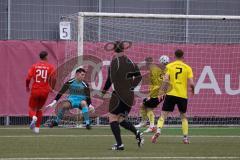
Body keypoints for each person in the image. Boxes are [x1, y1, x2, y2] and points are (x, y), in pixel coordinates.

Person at [102, 41, 144, 150]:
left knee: (112, 118)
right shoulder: (130, 61)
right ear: (124, 49)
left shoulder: (115, 62)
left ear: (114, 50)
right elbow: (139, 77)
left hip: (119, 94)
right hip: (129, 95)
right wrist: (131, 87)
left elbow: (110, 79)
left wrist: (103, 91)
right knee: (120, 119)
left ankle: (120, 144)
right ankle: (137, 132)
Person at [151, 49, 195, 144]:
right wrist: (193, 90)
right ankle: (185, 137)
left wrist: (161, 92)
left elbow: (166, 80)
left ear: (174, 56)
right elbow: (191, 83)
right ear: (183, 57)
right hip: (182, 96)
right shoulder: (188, 68)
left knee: (163, 115)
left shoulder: (169, 66)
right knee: (183, 117)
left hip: (171, 94)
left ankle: (158, 130)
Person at [135, 55, 169, 133]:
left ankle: (151, 126)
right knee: (144, 106)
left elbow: (157, 84)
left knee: (147, 107)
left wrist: (150, 95)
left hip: (156, 93)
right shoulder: (167, 70)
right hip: (161, 93)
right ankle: (145, 123)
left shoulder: (155, 70)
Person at [26, 51, 55, 134]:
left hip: (35, 90)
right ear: (46, 57)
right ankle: (37, 129)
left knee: (31, 108)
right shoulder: (50, 67)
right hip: (45, 91)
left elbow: (28, 78)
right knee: (40, 109)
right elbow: (54, 79)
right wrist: (52, 88)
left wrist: (27, 86)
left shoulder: (34, 66)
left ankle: (33, 117)